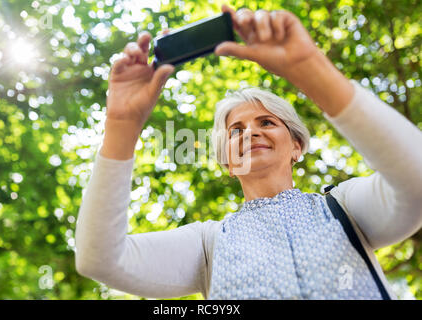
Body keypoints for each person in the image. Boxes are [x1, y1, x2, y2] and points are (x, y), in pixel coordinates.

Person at [74, 5, 422, 299]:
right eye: (236, 130)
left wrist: (311, 69)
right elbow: (99, 259)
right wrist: (121, 124)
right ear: (227, 163)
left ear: (296, 146)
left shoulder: (345, 208)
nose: (251, 131)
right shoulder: (208, 244)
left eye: (267, 123)